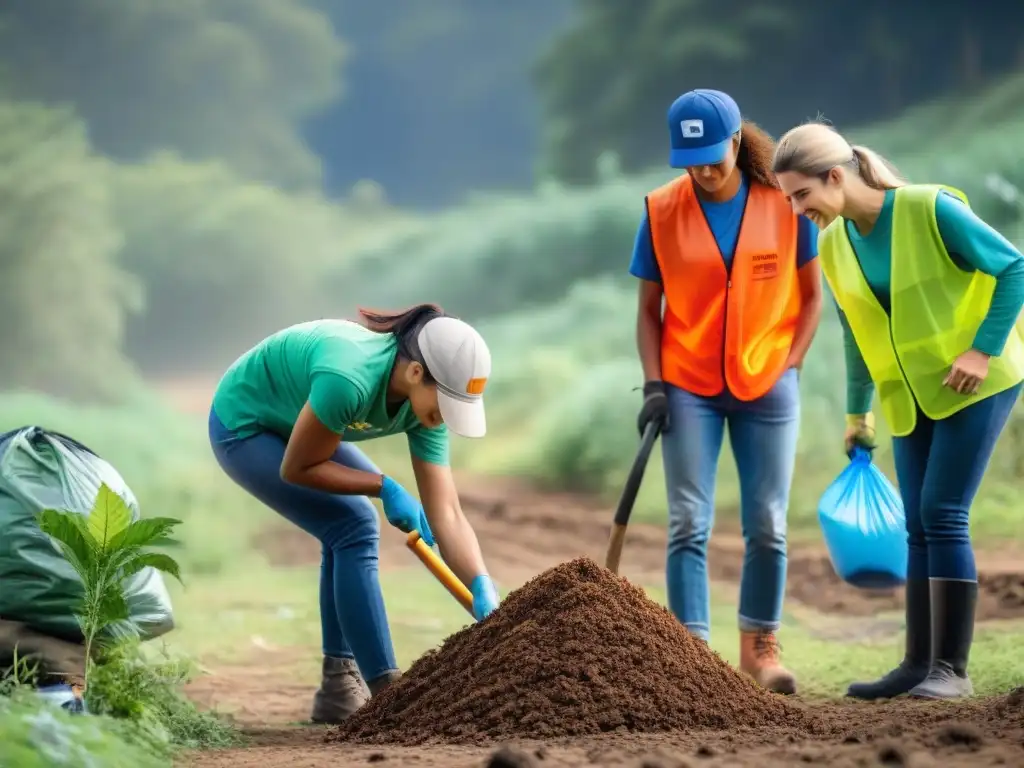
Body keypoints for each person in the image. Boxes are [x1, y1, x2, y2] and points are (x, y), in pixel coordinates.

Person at [772, 121, 1024, 700]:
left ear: (835, 176)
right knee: (915, 523)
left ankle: (951, 672)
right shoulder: (835, 243)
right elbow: (855, 333)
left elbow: (1013, 266)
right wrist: (856, 414)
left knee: (942, 511)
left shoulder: (928, 210)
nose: (796, 210)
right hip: (908, 395)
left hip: (975, 384)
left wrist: (982, 350)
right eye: (789, 199)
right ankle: (917, 665)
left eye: (802, 195)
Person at [207, 304, 502, 723]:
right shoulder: (350, 380)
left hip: (298, 417)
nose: (447, 420)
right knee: (354, 525)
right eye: (447, 403)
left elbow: (448, 513)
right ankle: (387, 694)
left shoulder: (425, 410)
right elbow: (297, 468)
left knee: (350, 526)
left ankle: (337, 687)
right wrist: (384, 486)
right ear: (416, 372)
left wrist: (481, 585)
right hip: (246, 423)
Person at [629, 88, 823, 695]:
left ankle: (760, 649)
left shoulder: (783, 203)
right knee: (689, 520)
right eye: (690, 158)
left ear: (738, 141)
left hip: (769, 383)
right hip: (687, 387)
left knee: (767, 522)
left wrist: (790, 366)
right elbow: (647, 312)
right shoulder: (661, 210)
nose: (703, 170)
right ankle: (693, 657)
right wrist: (655, 383)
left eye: (713, 155)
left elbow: (813, 296)